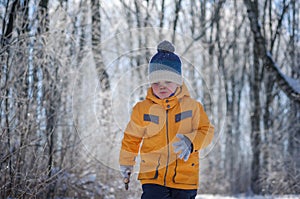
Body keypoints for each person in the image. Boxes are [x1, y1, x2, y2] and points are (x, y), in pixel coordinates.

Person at [119, 40, 214, 199]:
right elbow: (131, 138)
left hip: (185, 177)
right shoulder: (142, 109)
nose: (162, 86)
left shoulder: (192, 107)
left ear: (178, 82)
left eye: (168, 81)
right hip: (153, 177)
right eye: (156, 82)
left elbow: (207, 131)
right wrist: (127, 162)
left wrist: (191, 142)